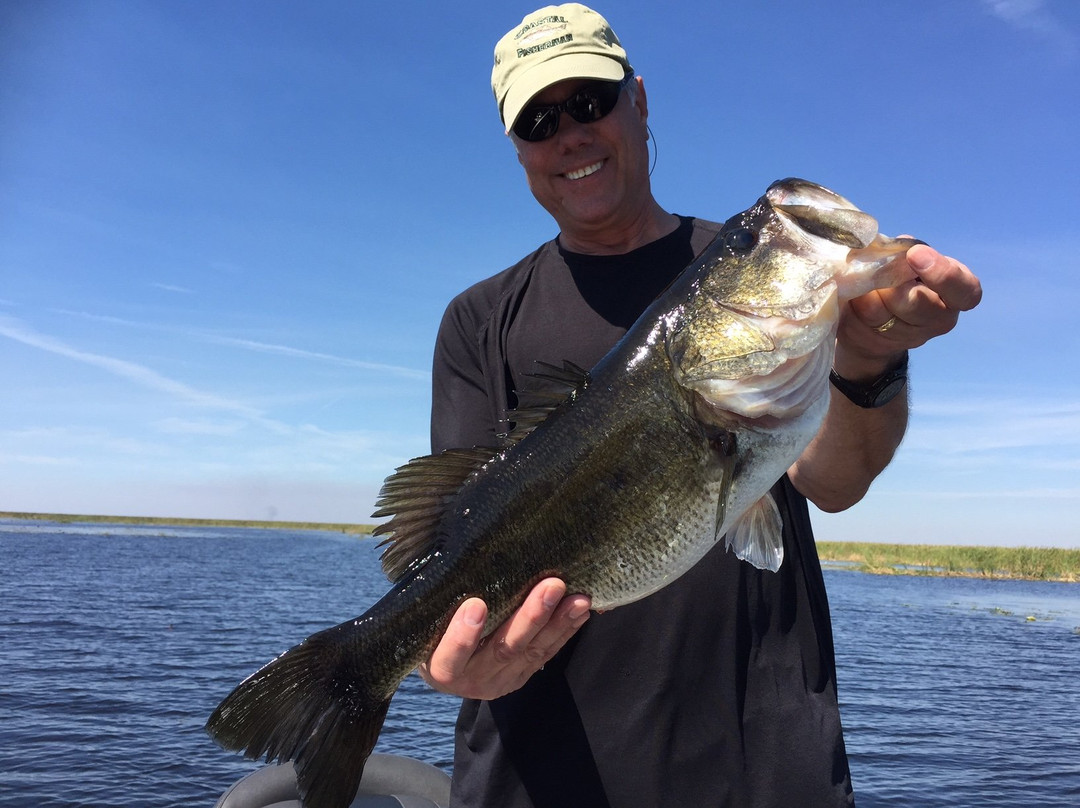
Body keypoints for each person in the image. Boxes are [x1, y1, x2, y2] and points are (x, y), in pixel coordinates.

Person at [420, 5, 982, 807]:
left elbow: (837, 483)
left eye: (590, 103)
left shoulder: (753, 269)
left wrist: (868, 359)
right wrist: (441, 654)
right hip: (537, 782)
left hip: (762, 775)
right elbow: (455, 540)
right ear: (518, 150)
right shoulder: (478, 320)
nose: (570, 134)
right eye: (541, 120)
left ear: (638, 101)